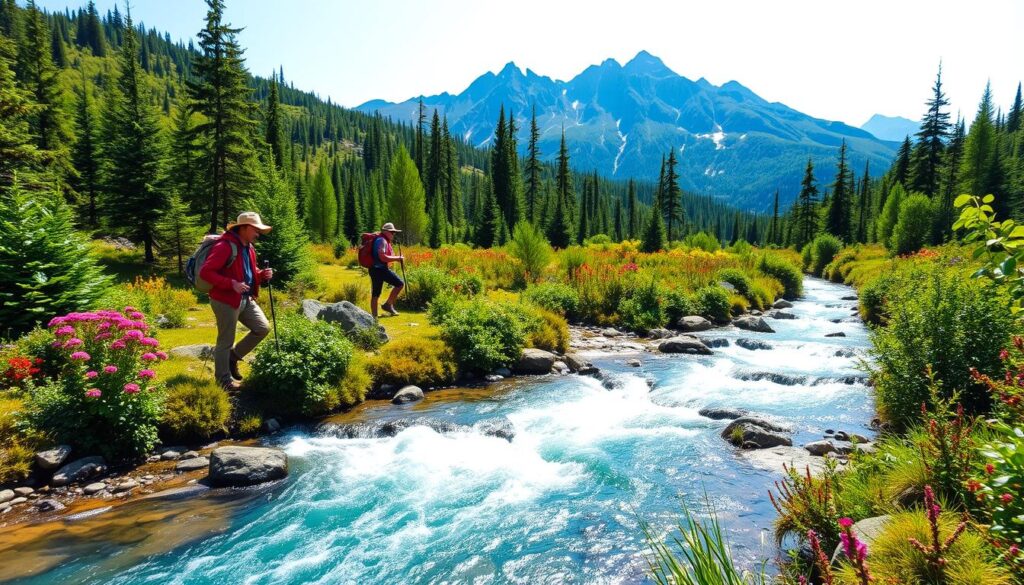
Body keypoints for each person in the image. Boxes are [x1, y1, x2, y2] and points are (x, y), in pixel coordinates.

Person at [199, 212, 274, 390]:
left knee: (262, 328)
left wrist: (261, 275)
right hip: (225, 299)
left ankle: (233, 358)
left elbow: (248, 270)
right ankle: (223, 381)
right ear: (245, 228)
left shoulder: (248, 247)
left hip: (245, 298)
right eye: (256, 229)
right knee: (225, 340)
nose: (258, 234)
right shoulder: (225, 246)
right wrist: (231, 283)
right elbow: (206, 272)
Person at [369, 222, 405, 318]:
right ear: (386, 232)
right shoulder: (382, 241)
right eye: (392, 232)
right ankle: (387, 305)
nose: (393, 234)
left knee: (375, 293)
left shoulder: (379, 239)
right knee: (399, 284)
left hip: (374, 269)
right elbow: (382, 257)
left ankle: (374, 316)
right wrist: (397, 258)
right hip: (381, 270)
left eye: (394, 232)